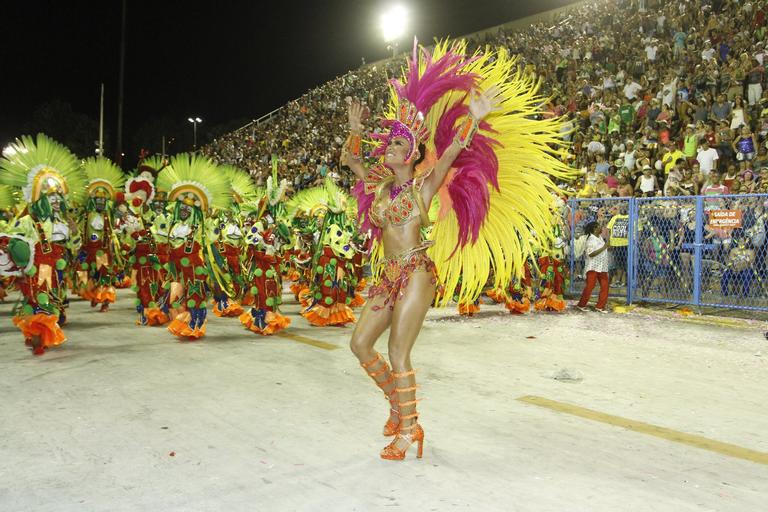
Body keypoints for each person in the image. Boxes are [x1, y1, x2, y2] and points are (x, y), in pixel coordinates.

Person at [346, 41, 569, 461]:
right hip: (388, 275)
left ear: (411, 154)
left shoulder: (423, 186)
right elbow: (350, 161)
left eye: (396, 145)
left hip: (415, 272)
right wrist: (357, 131)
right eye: (388, 144)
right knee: (360, 345)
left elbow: (450, 152)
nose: (388, 148)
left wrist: (474, 116)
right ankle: (400, 407)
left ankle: (410, 431)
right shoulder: (380, 186)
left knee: (398, 351)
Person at [576, 221, 610, 312]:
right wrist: (604, 247)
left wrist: (607, 247)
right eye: (599, 227)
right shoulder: (590, 240)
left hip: (602, 267)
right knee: (590, 286)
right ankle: (581, 304)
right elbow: (591, 254)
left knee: (605, 286)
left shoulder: (599, 238)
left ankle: (600, 306)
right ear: (595, 229)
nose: (601, 228)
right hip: (593, 267)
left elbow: (602, 249)